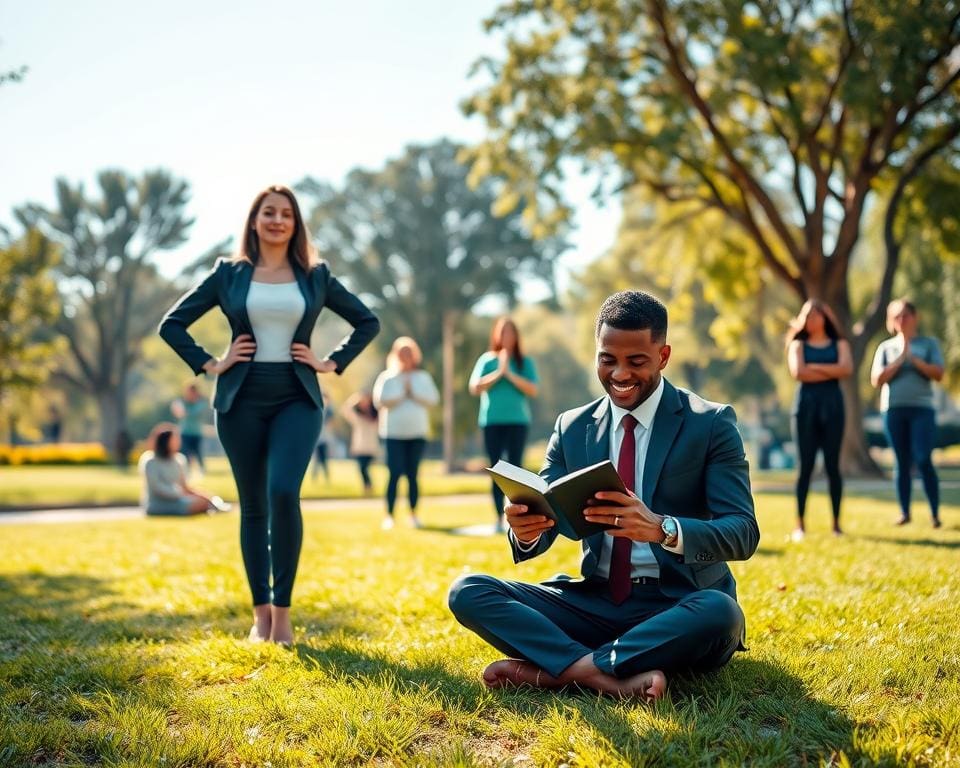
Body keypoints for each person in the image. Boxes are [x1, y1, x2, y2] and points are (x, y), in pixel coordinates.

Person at [448, 290, 759, 701]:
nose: (619, 374)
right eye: (607, 359)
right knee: (468, 591)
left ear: (663, 356)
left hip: (677, 605)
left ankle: (558, 671)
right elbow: (547, 510)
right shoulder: (572, 427)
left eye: (636, 362)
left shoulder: (711, 423)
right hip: (593, 604)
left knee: (721, 613)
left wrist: (661, 529)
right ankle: (607, 675)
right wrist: (526, 529)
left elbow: (742, 531)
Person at [159, 184, 380, 645]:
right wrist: (210, 362)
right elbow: (172, 324)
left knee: (282, 492)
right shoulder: (229, 274)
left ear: (296, 224)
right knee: (254, 505)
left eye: (286, 214)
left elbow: (367, 321)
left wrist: (331, 361)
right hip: (239, 400)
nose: (277, 220)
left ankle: (283, 615)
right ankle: (260, 616)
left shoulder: (316, 275)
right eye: (268, 213)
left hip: (296, 397)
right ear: (254, 221)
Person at [870, 298, 944, 528]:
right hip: (893, 410)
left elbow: (938, 373)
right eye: (897, 316)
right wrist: (900, 359)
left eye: (905, 315)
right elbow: (876, 380)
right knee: (901, 461)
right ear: (891, 321)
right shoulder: (885, 348)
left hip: (922, 409)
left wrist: (914, 359)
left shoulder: (928, 344)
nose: (902, 320)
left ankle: (934, 513)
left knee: (923, 458)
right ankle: (905, 512)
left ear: (915, 317)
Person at [785, 300, 853, 540]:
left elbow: (846, 369)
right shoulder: (797, 344)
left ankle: (836, 524)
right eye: (808, 316)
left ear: (826, 318)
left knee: (833, 467)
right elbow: (798, 372)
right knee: (805, 468)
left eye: (817, 315)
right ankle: (800, 525)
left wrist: (813, 367)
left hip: (834, 408)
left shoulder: (840, 343)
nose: (812, 319)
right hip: (806, 409)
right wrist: (829, 368)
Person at [469, 317, 540, 532]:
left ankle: (520, 516)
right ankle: (498, 518)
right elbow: (475, 388)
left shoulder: (524, 362)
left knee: (516, 468)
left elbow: (532, 389)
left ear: (516, 336)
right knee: (497, 469)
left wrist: (509, 373)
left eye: (511, 332)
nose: (507, 336)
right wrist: (498, 372)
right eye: (503, 332)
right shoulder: (487, 360)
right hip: (491, 422)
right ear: (496, 335)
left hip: (517, 422)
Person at [372, 337, 439, 530]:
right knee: (394, 473)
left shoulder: (423, 377)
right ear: (396, 355)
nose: (406, 357)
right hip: (393, 433)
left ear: (415, 355)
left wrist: (414, 393)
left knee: (412, 474)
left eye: (409, 353)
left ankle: (413, 514)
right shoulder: (387, 377)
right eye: (402, 353)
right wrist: (402, 393)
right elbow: (380, 401)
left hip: (417, 433)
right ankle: (389, 516)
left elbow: (433, 399)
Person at [138, 423, 230, 516]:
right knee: (196, 504)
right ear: (165, 442)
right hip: (157, 504)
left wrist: (206, 497)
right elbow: (157, 488)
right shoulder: (150, 460)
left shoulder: (179, 460)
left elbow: (184, 487)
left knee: (203, 501)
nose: (178, 442)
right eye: (174, 439)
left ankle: (214, 506)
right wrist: (179, 494)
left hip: (179, 499)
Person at [342, 390, 379, 495]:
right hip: (359, 447)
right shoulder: (358, 418)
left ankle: (368, 486)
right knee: (362, 469)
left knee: (364, 468)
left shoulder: (375, 419)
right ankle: (368, 487)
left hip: (371, 448)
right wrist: (356, 398)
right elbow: (346, 409)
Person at [171, 383, 208, 475]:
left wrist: (184, 411)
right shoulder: (183, 402)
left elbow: (191, 413)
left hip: (196, 432)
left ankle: (202, 471)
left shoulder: (201, 403)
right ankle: (186, 471)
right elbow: (178, 411)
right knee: (184, 453)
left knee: (198, 453)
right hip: (184, 432)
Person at [311, 391, 335, 483]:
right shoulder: (317, 408)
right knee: (316, 459)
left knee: (323, 459)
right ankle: (315, 477)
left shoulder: (329, 411)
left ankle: (326, 476)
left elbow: (330, 425)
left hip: (324, 439)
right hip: (316, 438)